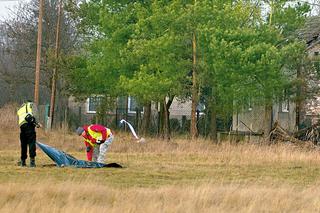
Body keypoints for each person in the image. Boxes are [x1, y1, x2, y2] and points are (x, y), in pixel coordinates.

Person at [17, 101, 40, 167]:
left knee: (23, 144)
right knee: (31, 143)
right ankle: (32, 162)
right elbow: (35, 114)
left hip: (22, 126)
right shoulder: (31, 104)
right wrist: (37, 123)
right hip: (29, 125)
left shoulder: (20, 109)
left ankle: (23, 162)